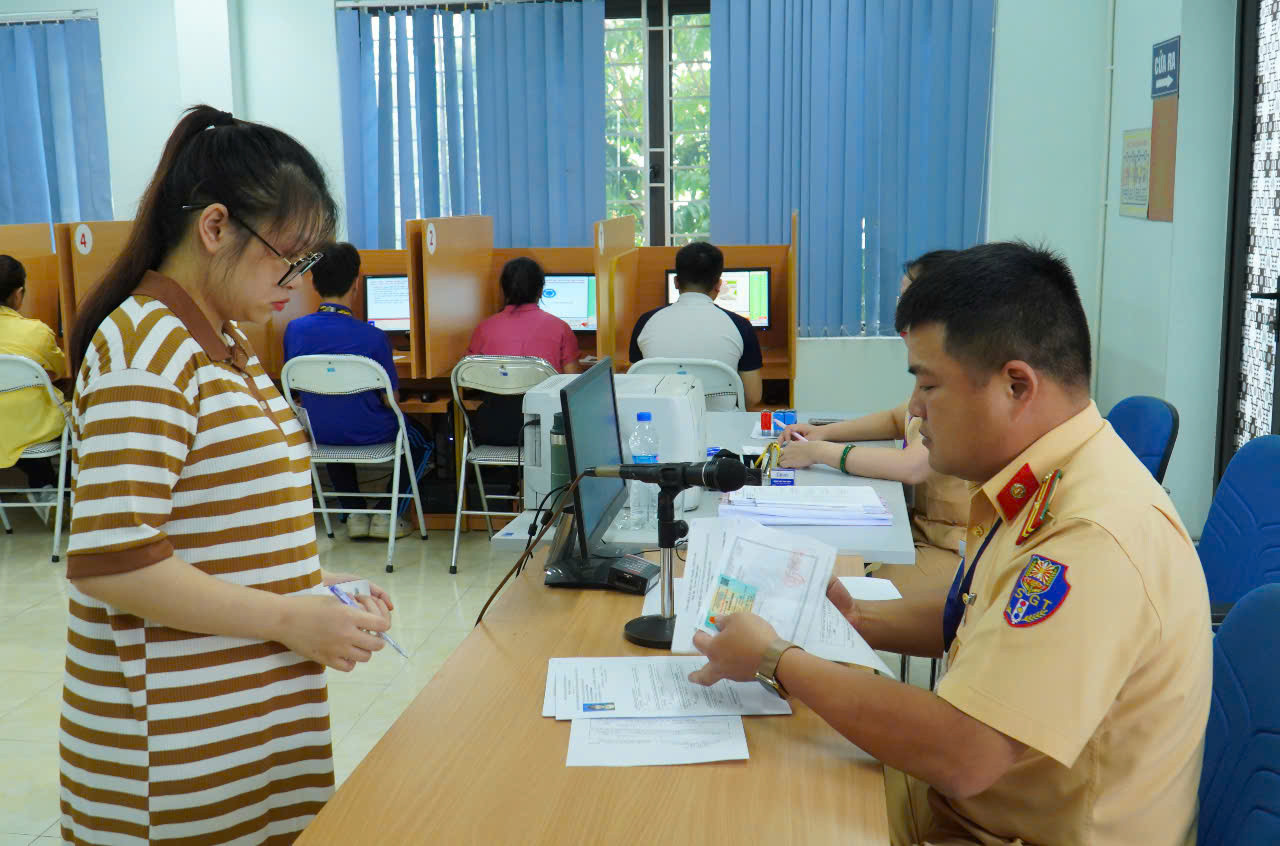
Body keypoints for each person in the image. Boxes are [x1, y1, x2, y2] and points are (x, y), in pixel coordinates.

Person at [688, 242, 1211, 845]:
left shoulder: (1091, 536)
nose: (914, 409)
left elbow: (966, 754)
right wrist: (856, 622)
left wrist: (777, 659)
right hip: (964, 812)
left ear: (1016, 386)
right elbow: (978, 620)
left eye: (928, 386)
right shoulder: (1041, 479)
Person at [60, 105, 396, 845]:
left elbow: (219, 522)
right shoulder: (146, 350)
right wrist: (288, 618)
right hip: (174, 751)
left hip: (244, 721)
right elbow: (114, 563)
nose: (298, 283)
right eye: (288, 258)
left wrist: (312, 584)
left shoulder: (224, 342)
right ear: (215, 227)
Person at [777, 250, 964, 585]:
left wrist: (819, 452)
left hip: (954, 548)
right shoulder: (937, 365)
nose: (899, 311)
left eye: (906, 299)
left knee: (838, 592)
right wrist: (825, 432)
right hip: (920, 530)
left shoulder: (962, 377)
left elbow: (911, 466)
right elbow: (897, 419)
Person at [283, 241, 434, 541]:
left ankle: (353, 512)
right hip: (370, 432)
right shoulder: (373, 337)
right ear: (356, 283)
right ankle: (386, 513)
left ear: (312, 283)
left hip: (319, 433)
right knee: (424, 441)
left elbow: (295, 389)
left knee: (331, 420)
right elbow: (391, 399)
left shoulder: (294, 330)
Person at [629, 241, 764, 408]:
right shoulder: (741, 326)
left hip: (660, 420)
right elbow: (752, 396)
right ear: (718, 285)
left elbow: (635, 386)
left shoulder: (645, 322)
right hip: (720, 422)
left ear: (676, 282)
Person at [465, 256, 580, 445]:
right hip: (545, 430)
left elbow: (468, 382)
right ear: (541, 290)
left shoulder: (483, 329)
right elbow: (573, 382)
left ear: (504, 290)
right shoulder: (560, 328)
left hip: (493, 429)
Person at [0, 255, 69, 523]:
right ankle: (59, 491)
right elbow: (60, 370)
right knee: (67, 421)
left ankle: (44, 488)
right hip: (33, 428)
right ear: (18, 294)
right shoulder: (36, 333)